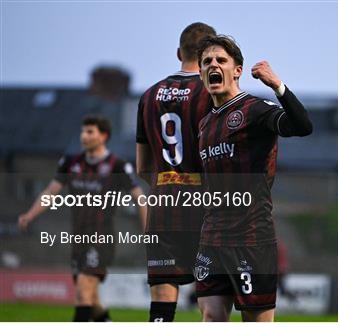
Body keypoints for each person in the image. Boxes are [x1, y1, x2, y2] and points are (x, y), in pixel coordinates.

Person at [194, 35, 312, 322]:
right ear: (200, 73)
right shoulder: (205, 124)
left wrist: (278, 86)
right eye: (207, 62)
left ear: (237, 70)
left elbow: (302, 126)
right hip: (212, 237)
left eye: (221, 60)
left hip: (251, 237)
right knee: (211, 316)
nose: (214, 65)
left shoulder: (254, 109)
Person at [18, 115, 146, 322]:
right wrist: (29, 215)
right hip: (78, 239)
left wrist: (147, 228)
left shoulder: (117, 165)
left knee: (83, 289)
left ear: (103, 136)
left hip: (101, 239)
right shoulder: (71, 162)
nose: (83, 136)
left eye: (89, 132)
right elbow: (51, 192)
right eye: (82, 131)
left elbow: (139, 197)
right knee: (91, 299)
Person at [136, 22, 216, 322]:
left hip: (163, 206)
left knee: (162, 300)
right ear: (208, 53)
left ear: (178, 52)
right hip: (205, 207)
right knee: (210, 299)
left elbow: (143, 166)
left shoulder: (148, 96)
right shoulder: (211, 93)